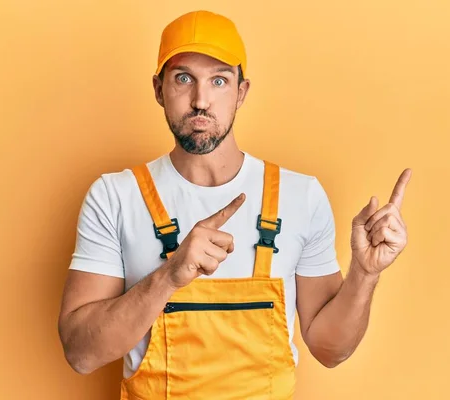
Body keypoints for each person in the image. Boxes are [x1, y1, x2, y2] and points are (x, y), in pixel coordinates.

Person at [58, 9, 412, 400]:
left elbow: (330, 350)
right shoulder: (115, 197)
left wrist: (364, 274)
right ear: (159, 89)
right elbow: (81, 354)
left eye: (219, 80)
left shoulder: (300, 196)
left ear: (241, 92)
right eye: (183, 78)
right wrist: (170, 276)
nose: (200, 100)